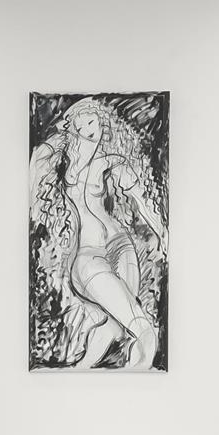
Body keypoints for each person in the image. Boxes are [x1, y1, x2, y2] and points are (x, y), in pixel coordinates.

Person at [30, 97, 167, 368]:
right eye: (81, 125)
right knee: (144, 330)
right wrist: (65, 138)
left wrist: (163, 233)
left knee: (117, 327)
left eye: (92, 121)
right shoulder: (65, 166)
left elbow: (142, 201)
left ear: (101, 123)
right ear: (73, 129)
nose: (89, 128)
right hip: (88, 256)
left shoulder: (111, 162)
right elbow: (38, 160)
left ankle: (81, 372)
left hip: (121, 245)